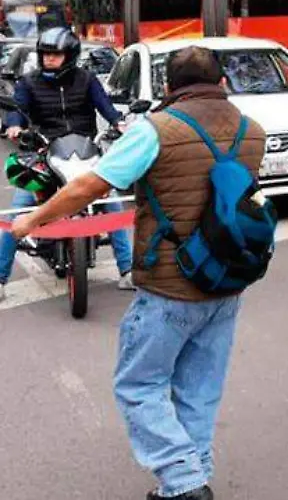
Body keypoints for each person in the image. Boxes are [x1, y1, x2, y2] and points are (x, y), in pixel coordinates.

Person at [11, 46, 268, 500]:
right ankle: (186, 481)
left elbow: (91, 184)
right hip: (226, 280)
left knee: (139, 385)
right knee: (199, 389)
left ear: (170, 87)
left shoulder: (157, 130)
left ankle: (185, 482)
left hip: (170, 284)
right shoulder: (253, 131)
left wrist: (35, 219)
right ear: (222, 82)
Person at [0, 27, 133, 300]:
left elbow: (105, 107)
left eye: (55, 55)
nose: (49, 59)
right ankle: (1, 278)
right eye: (46, 54)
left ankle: (127, 270)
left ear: (69, 56)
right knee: (17, 212)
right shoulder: (29, 82)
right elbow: (17, 110)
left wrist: (118, 123)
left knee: (112, 204)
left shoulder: (87, 80)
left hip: (85, 151)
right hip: (45, 153)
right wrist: (14, 126)